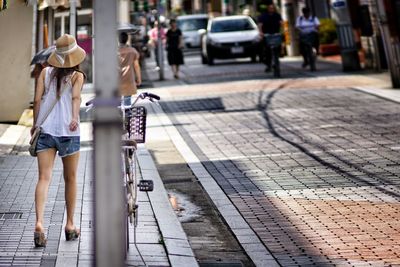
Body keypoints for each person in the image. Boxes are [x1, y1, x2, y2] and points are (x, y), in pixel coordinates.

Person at [31, 34, 86, 247]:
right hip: (68, 133)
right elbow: (76, 98)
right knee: (70, 179)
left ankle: (39, 223)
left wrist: (35, 124)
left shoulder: (44, 73)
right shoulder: (77, 76)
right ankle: (70, 225)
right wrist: (73, 118)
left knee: (44, 178)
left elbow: (37, 101)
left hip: (45, 130)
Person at [118, 32, 142, 106]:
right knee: (127, 103)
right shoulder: (132, 51)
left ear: (118, 40)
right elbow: (136, 66)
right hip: (129, 79)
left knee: (117, 103)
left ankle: (119, 116)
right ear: (127, 39)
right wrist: (139, 79)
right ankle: (127, 117)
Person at [258, 4, 283, 72]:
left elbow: (281, 24)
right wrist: (261, 33)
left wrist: (281, 32)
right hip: (267, 36)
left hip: (276, 35)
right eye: (270, 8)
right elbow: (260, 25)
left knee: (278, 48)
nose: (271, 9)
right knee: (266, 51)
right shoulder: (263, 16)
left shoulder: (277, 15)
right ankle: (268, 64)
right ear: (268, 9)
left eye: (273, 8)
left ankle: (277, 60)